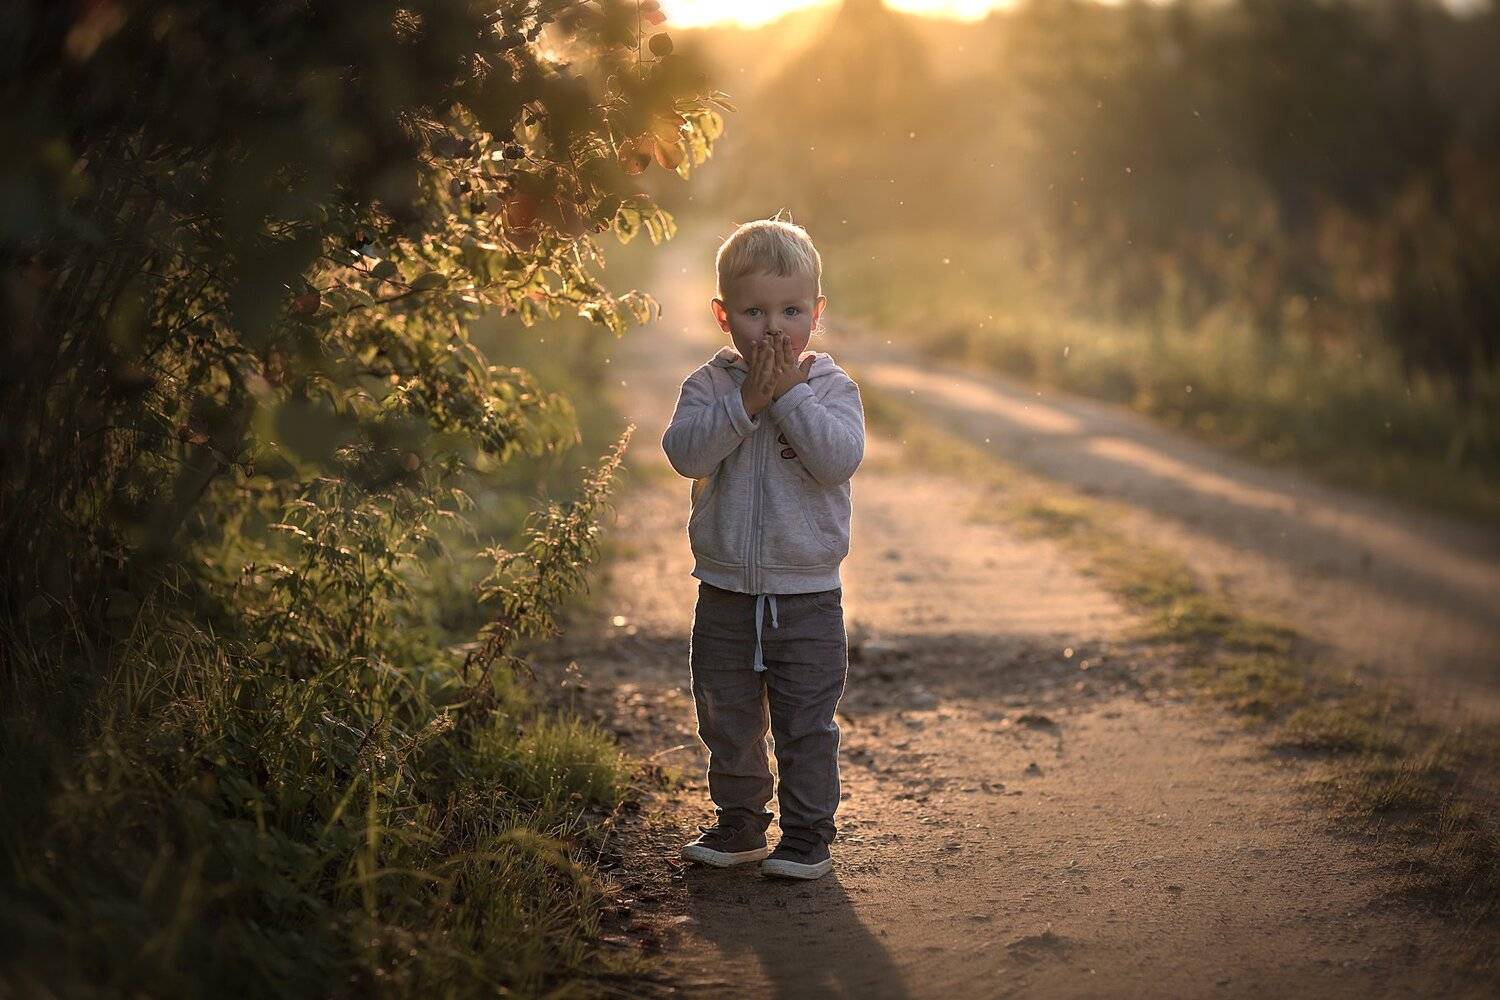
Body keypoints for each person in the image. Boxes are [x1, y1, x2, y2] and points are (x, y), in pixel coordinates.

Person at [660, 217, 865, 881]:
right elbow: (685, 454)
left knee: (806, 723)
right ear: (723, 315)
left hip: (807, 596)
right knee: (727, 716)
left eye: (791, 312)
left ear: (817, 313)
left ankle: (807, 835)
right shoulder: (710, 386)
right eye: (754, 312)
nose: (774, 329)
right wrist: (749, 400)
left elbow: (837, 460)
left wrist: (788, 396)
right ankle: (740, 822)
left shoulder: (829, 389)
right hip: (724, 592)